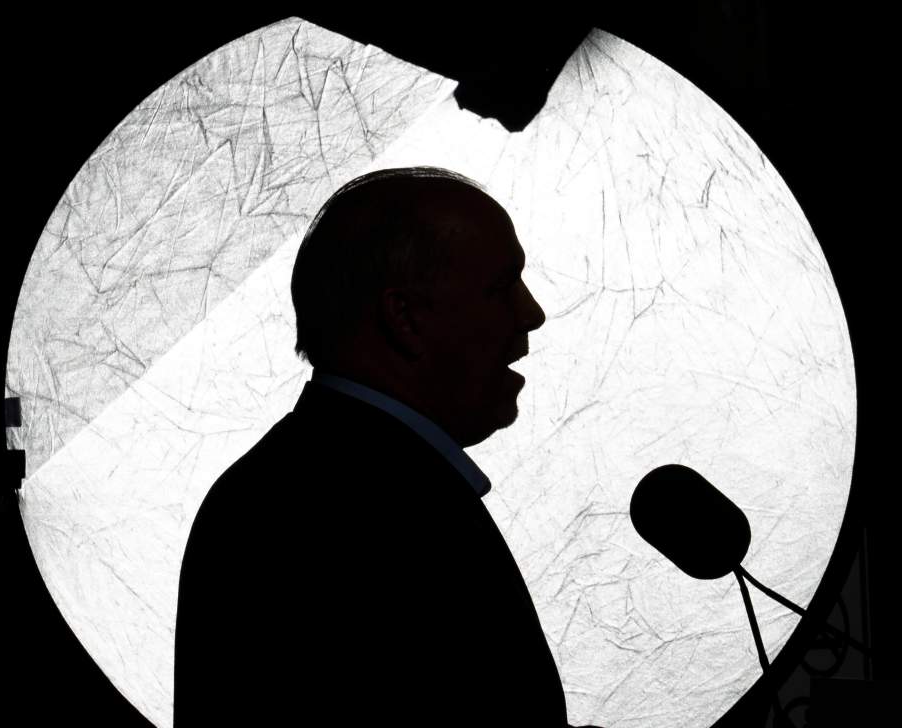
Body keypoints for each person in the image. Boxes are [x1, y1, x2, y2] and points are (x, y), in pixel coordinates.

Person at [175, 167, 597, 726]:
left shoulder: (293, 487)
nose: (532, 314)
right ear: (404, 318)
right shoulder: (358, 509)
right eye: (501, 288)